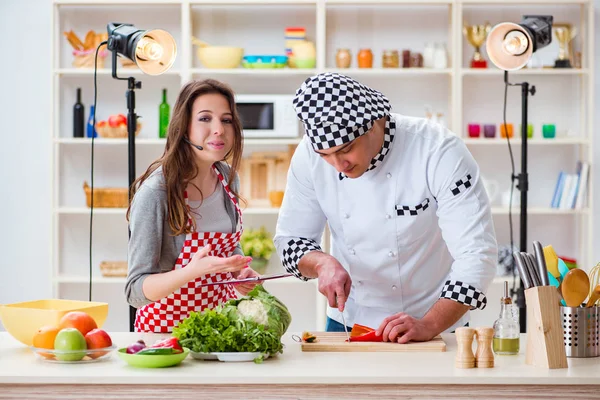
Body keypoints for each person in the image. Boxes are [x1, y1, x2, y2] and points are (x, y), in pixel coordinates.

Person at [274, 72, 498, 343]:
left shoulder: (437, 150)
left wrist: (429, 324)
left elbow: (477, 255)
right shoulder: (308, 156)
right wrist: (322, 263)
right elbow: (291, 239)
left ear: (373, 123)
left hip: (435, 321)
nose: (337, 165)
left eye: (346, 149)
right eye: (325, 156)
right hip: (348, 321)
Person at [125, 79, 260, 333]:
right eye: (205, 119)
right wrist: (191, 272)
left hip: (220, 329)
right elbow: (134, 291)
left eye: (226, 120)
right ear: (184, 127)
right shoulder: (156, 193)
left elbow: (229, 246)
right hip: (166, 336)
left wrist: (238, 271)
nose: (219, 129)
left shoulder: (228, 177)